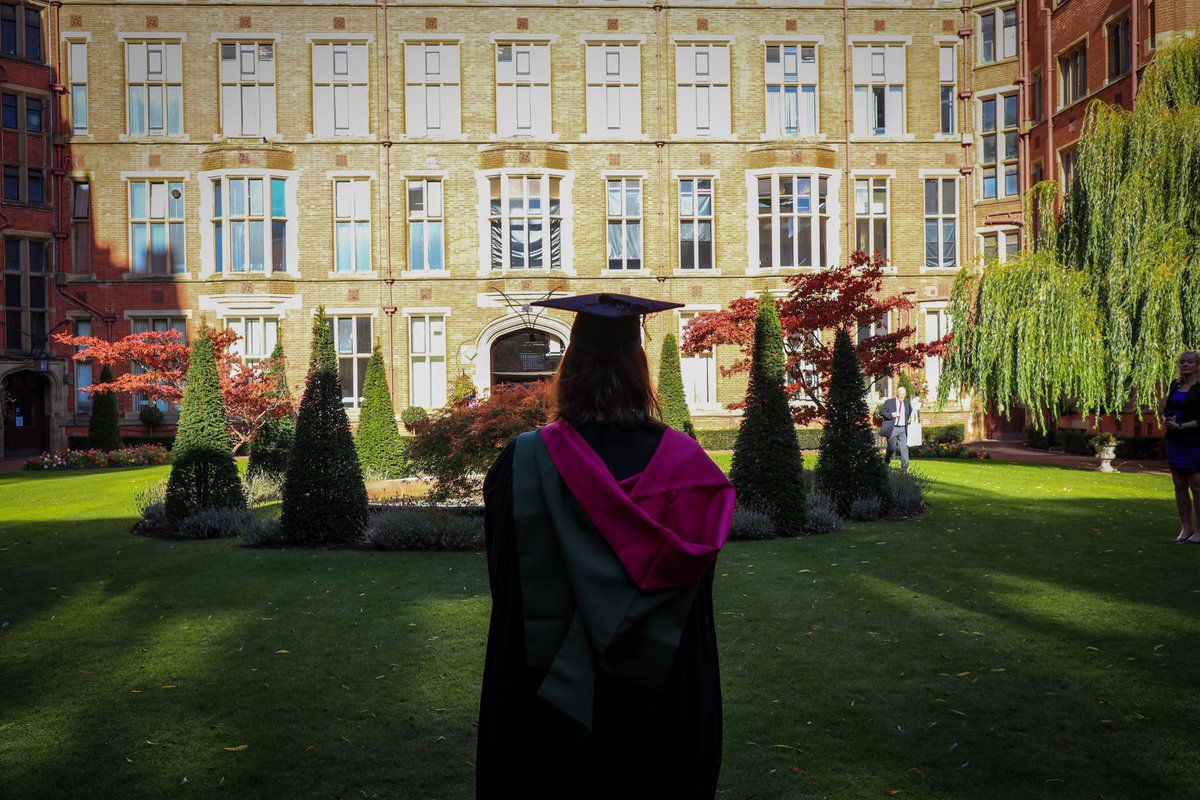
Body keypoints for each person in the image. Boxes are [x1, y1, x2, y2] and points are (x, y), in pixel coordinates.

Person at [476, 293, 736, 800]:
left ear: (568, 368)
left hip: (549, 698)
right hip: (657, 697)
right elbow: (692, 598)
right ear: (642, 369)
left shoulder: (525, 462)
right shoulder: (688, 468)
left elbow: (509, 584)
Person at [1163, 350, 1200, 543]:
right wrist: (1166, 419)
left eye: (1190, 362)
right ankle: (1186, 528)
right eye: (1182, 362)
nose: (1185, 365)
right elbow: (1167, 408)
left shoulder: (1199, 388)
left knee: (1196, 485)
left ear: (1197, 366)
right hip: (1174, 441)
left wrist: (1181, 426)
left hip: (1193, 441)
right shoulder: (1175, 385)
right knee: (1179, 485)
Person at [879, 385, 918, 470]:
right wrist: (891, 415)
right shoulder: (889, 402)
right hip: (893, 429)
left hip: (902, 429)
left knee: (904, 448)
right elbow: (881, 412)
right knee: (892, 448)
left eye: (903, 394)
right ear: (897, 393)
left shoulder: (907, 403)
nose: (902, 396)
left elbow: (910, 413)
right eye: (901, 394)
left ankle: (904, 468)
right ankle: (886, 461)